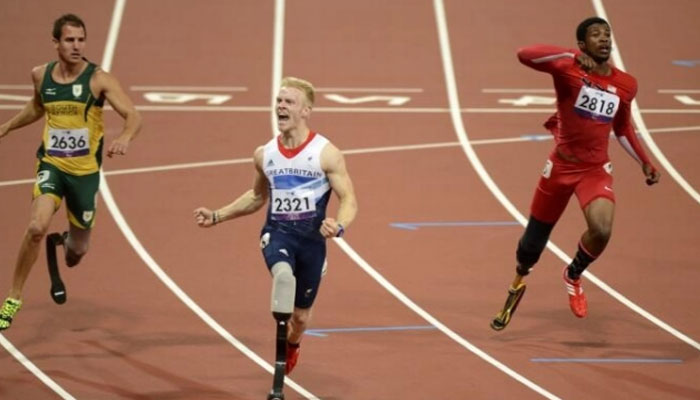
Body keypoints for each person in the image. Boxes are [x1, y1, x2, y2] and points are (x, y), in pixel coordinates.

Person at [491, 17, 660, 330]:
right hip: (560, 169)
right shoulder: (569, 69)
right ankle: (517, 284)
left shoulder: (626, 84)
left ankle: (573, 274)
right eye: (595, 35)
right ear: (583, 44)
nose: (604, 39)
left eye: (607, 34)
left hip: (594, 171)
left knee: (602, 230)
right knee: (532, 243)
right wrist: (569, 55)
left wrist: (644, 161)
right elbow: (524, 53)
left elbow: (622, 127)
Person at [194, 76, 358, 374]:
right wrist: (218, 215)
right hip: (277, 235)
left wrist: (339, 225)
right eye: (279, 101)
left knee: (302, 317)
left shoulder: (326, 153)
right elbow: (257, 197)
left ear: (306, 110)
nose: (280, 107)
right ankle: (280, 347)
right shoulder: (265, 154)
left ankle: (292, 344)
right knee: (283, 276)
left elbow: (349, 199)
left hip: (311, 242)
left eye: (289, 102)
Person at [0, 14, 142, 330]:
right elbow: (38, 107)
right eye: (69, 40)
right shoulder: (40, 75)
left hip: (84, 174)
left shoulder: (98, 79)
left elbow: (133, 114)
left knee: (77, 253)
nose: (76, 46)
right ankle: (13, 297)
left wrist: (124, 137)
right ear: (56, 43)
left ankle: (63, 242)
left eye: (81, 40)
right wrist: (8, 126)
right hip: (51, 164)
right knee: (36, 226)